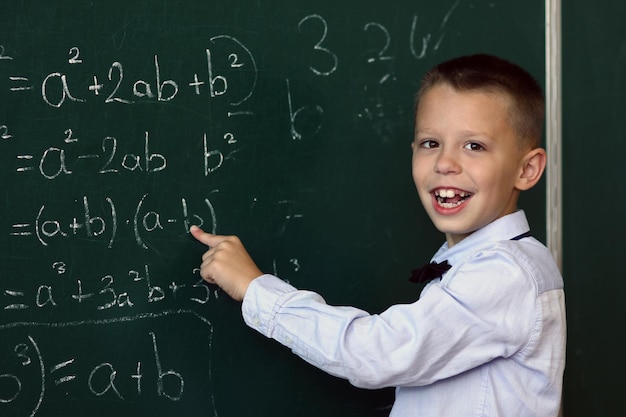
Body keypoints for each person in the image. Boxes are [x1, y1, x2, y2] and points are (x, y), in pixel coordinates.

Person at [190, 54, 566, 417]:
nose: (445, 164)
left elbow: (377, 353)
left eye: (474, 146)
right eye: (430, 143)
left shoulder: (506, 273)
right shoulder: (481, 263)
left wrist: (256, 288)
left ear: (527, 169)